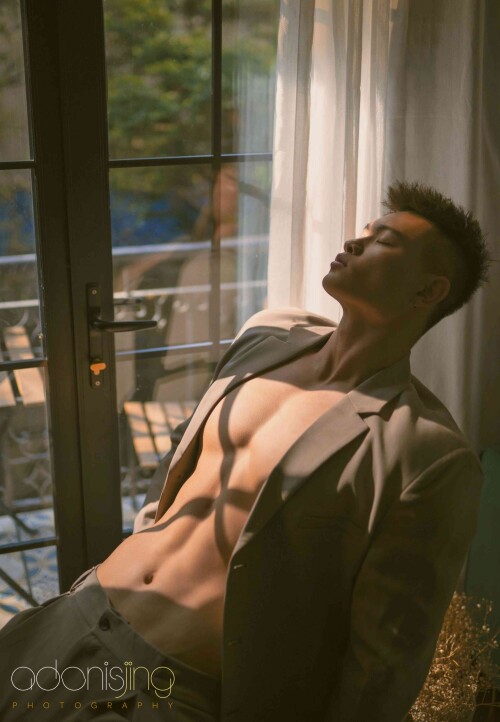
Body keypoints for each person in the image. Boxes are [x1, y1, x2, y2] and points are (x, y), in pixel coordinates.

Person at [0, 180, 490, 722]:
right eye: (366, 232)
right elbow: (185, 457)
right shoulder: (266, 336)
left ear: (428, 292)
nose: (354, 243)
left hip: (167, 689)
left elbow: (384, 666)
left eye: (385, 242)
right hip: (79, 612)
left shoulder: (427, 454)